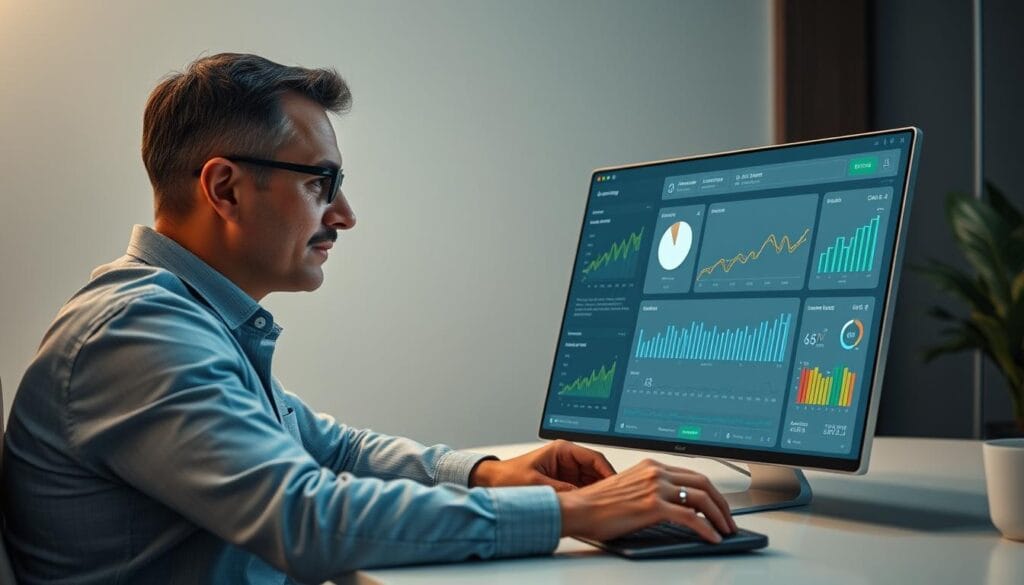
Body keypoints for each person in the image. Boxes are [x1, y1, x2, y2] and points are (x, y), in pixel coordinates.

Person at [1, 53, 736, 584]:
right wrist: (572, 514)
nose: (344, 215)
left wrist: (488, 471)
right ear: (224, 187)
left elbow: (333, 449)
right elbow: (306, 518)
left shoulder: (183, 318)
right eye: (321, 182)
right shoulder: (137, 333)